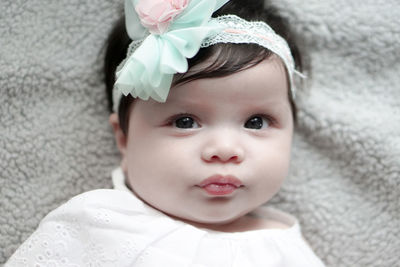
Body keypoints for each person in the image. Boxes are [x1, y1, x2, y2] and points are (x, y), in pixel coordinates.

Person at [6, 0, 325, 266]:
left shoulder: (287, 252)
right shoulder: (99, 225)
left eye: (256, 122)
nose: (225, 149)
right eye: (185, 122)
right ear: (124, 138)